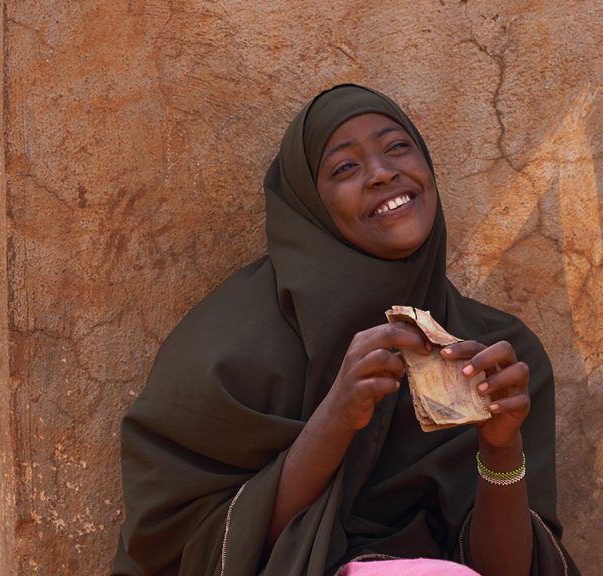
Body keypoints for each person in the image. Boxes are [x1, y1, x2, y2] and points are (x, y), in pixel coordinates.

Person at [113, 84, 578, 575]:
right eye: (345, 168)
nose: (383, 173)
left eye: (398, 146)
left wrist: (500, 445)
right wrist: (336, 418)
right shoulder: (226, 350)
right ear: (311, 207)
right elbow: (190, 548)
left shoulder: (496, 355)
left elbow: (507, 570)